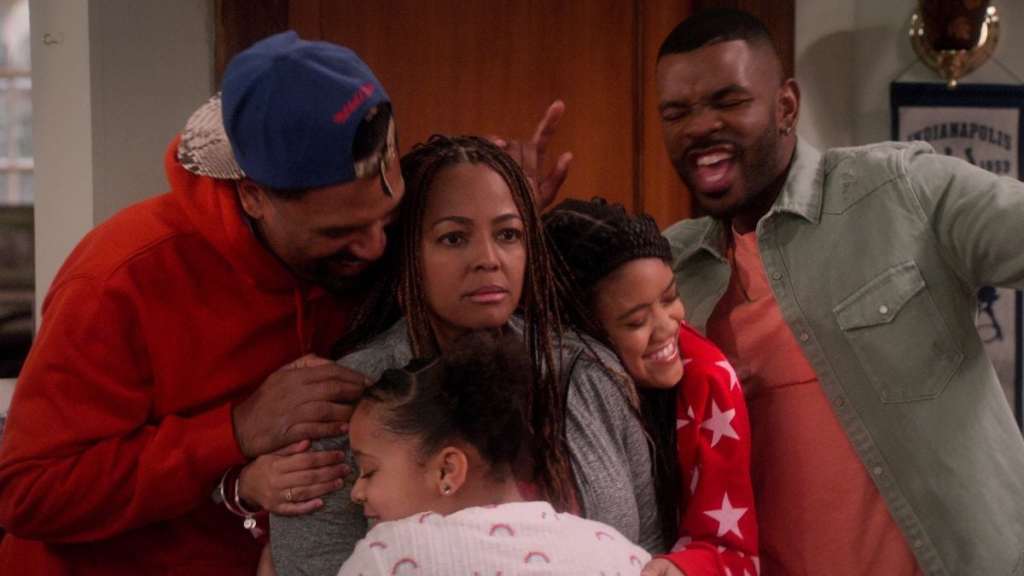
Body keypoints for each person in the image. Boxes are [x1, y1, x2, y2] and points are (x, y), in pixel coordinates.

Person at [654, 8, 1024, 575]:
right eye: (676, 113)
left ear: (786, 106)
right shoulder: (666, 271)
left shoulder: (901, 192)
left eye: (728, 101)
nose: (700, 127)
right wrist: (520, 211)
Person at [269, 135, 663, 576]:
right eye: (454, 238)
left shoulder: (589, 370)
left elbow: (648, 549)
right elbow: (311, 563)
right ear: (406, 253)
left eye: (508, 234)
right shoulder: (345, 398)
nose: (488, 259)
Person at [544, 198, 758, 576]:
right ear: (583, 331)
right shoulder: (567, 378)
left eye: (670, 297)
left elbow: (732, 547)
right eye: (636, 321)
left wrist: (685, 567)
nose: (667, 326)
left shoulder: (707, 381)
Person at [338, 331, 652, 575]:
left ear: (448, 470)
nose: (357, 493)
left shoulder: (386, 558)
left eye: (369, 471)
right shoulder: (618, 554)